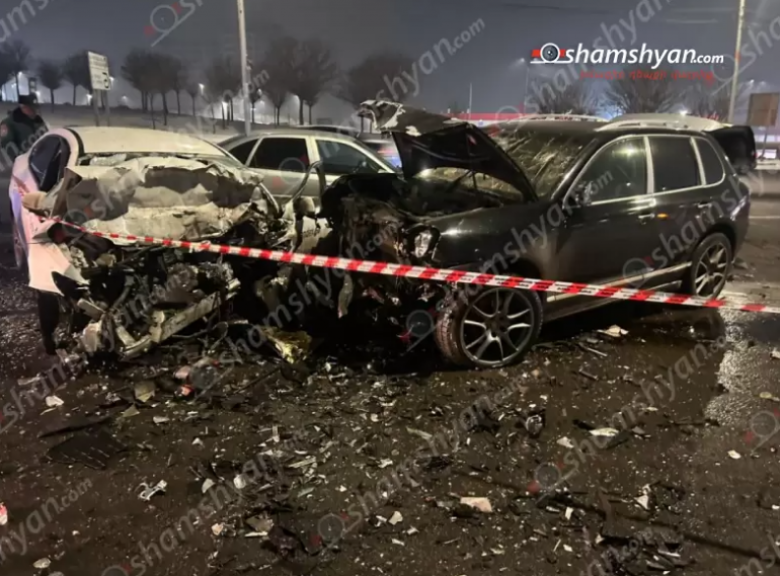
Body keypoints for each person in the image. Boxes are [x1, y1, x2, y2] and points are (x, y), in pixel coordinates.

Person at [0, 94, 47, 163]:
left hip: (39, 162)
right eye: (32, 109)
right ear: (24, 108)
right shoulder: (9, 123)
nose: (35, 111)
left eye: (36, 108)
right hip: (20, 164)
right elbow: (7, 147)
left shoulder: (38, 121)